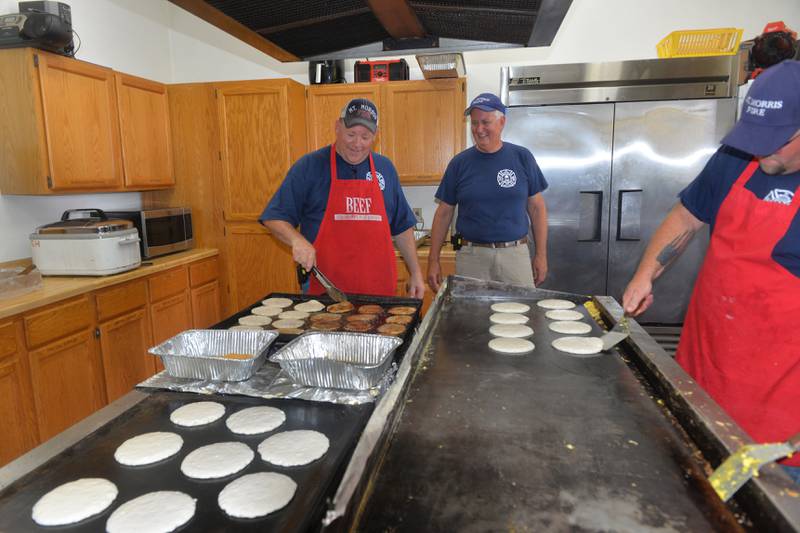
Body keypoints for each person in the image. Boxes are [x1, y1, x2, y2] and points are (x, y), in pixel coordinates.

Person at [622, 60, 800, 483]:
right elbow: (688, 216)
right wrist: (645, 274)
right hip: (702, 382)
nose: (760, 150)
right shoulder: (736, 158)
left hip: (777, 421)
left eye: (774, 141)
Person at [260, 98, 425, 298]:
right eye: (351, 134)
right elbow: (274, 217)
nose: (357, 143)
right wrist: (297, 240)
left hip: (378, 290)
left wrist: (415, 272)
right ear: (337, 127)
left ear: (375, 136)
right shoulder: (310, 166)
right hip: (325, 290)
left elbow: (402, 227)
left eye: (365, 136)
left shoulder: (385, 168)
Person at [427, 93, 549, 291]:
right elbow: (443, 213)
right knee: (473, 319)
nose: (479, 129)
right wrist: (434, 259)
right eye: (474, 123)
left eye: (485, 122)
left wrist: (541, 255)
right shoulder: (459, 163)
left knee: (519, 318)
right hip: (472, 258)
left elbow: (537, 209)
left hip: (515, 255)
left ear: (501, 122)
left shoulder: (522, 157)